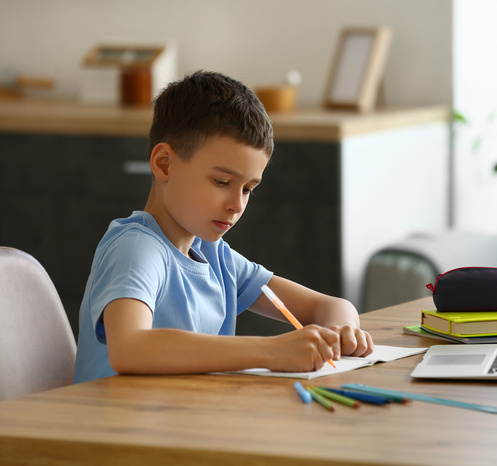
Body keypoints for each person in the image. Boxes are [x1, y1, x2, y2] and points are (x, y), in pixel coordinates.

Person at [73, 71, 373, 383]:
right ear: (164, 163)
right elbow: (130, 348)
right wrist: (271, 351)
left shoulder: (215, 256)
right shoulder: (136, 249)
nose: (237, 204)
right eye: (221, 182)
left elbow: (329, 305)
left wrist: (341, 331)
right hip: (115, 427)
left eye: (247, 189)